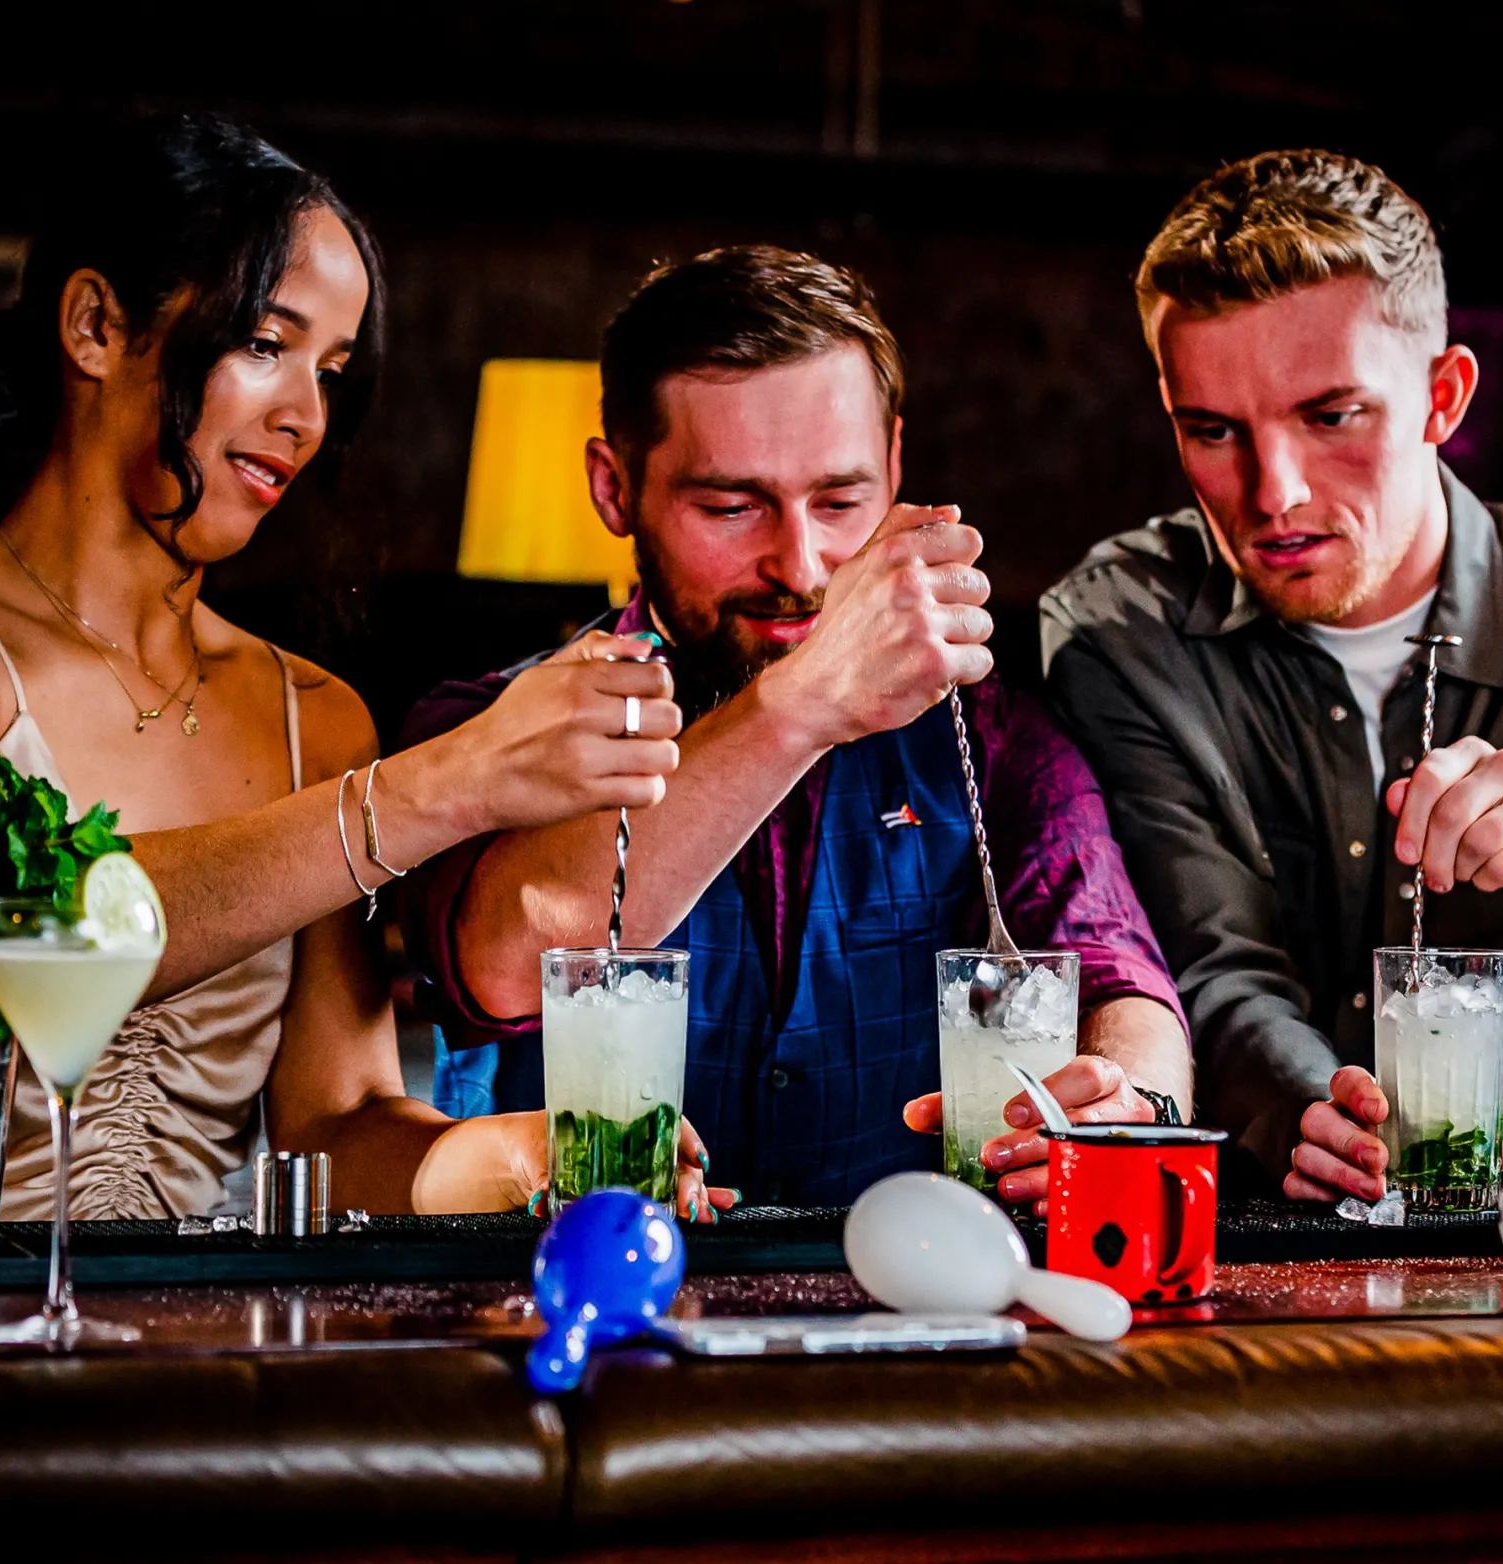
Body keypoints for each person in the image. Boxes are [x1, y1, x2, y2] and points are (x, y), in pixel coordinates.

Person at [0, 113, 732, 1223]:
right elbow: (20, 934)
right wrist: (445, 784)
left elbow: (338, 1123)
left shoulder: (313, 717)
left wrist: (527, 1154)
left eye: (331, 370)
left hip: (200, 1325)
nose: (306, 416)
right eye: (266, 345)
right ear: (96, 325)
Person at [401, 244, 1190, 1210]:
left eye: (841, 500)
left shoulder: (992, 740)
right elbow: (501, 966)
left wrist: (1127, 1097)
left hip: (908, 1293)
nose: (801, 565)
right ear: (614, 487)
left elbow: (1119, 980)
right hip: (562, 1294)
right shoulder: (478, 728)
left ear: (894, 462)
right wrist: (803, 703)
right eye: (732, 506)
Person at [1041, 149, 1503, 1202]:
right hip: (1258, 1242)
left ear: (1443, 396)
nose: (1272, 492)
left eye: (1330, 417)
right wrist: (1307, 1108)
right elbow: (1211, 956)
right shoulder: (1118, 633)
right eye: (1212, 431)